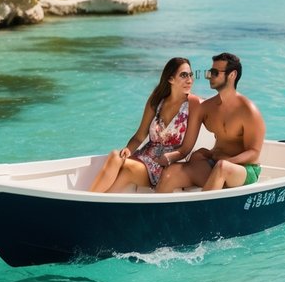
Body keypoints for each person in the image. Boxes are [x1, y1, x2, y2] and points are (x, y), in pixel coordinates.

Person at [89, 56, 203, 193]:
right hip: (143, 157)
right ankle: (93, 202)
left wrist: (169, 158)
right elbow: (139, 136)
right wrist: (128, 150)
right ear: (170, 79)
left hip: (163, 165)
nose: (189, 80)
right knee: (116, 156)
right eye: (184, 75)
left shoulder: (193, 103)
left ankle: (86, 201)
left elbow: (186, 149)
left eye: (190, 75)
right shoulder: (157, 99)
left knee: (124, 167)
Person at [156, 52, 265, 193]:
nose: (209, 76)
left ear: (232, 75)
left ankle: (200, 211)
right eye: (209, 72)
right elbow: (186, 147)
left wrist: (227, 161)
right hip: (216, 162)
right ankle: (157, 212)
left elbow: (254, 153)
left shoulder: (248, 110)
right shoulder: (206, 108)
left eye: (214, 73)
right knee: (173, 172)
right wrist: (166, 157)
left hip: (244, 169)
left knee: (222, 168)